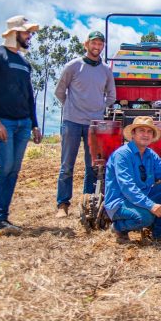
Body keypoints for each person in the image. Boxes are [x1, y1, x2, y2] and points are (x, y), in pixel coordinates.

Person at [0, 15, 43, 235]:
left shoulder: (24, 63)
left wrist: (34, 124)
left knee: (13, 171)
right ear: (14, 33)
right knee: (2, 168)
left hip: (23, 123)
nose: (30, 36)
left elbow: (29, 96)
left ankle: (1, 217)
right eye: (26, 33)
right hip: (3, 122)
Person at [54, 31, 116, 218]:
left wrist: (98, 108)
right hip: (72, 122)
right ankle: (62, 205)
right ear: (86, 44)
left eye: (100, 44)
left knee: (93, 166)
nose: (97, 47)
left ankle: (88, 203)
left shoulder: (106, 70)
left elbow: (112, 96)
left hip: (94, 125)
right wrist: (73, 107)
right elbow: (59, 91)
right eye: (94, 43)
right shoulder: (73, 66)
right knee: (67, 165)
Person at [104, 116, 161, 243]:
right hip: (121, 202)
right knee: (146, 218)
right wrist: (151, 205)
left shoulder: (150, 154)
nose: (146, 134)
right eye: (141, 131)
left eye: (149, 132)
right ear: (133, 134)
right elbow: (127, 188)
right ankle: (118, 227)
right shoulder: (122, 155)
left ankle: (160, 233)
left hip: (143, 196)